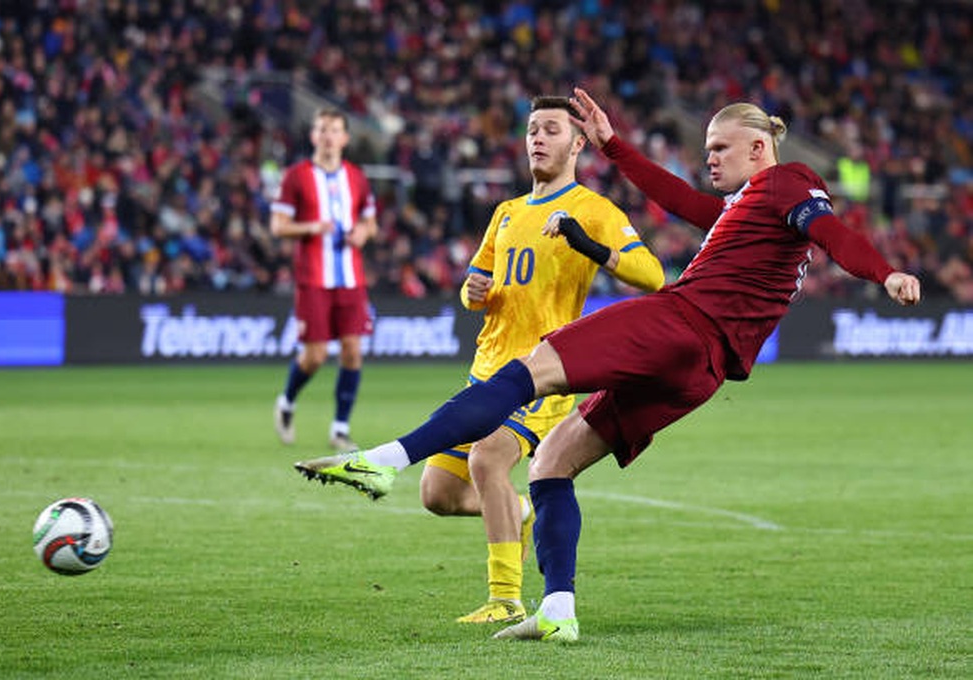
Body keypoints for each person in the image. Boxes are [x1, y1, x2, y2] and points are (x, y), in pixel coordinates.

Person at [294, 88, 922, 642]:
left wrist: (884, 271)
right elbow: (677, 198)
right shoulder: (747, 207)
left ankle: (385, 462)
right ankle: (557, 609)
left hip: (681, 322)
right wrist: (616, 147)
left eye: (720, 148)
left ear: (759, 148)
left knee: (526, 370)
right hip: (701, 374)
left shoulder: (787, 183)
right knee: (552, 464)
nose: (709, 158)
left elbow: (833, 232)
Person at [417, 96, 664, 625]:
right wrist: (473, 292)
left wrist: (588, 246)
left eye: (550, 129)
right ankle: (519, 509)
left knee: (487, 461)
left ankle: (505, 598)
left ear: (577, 144)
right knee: (436, 494)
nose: (537, 138)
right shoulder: (506, 213)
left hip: (542, 374)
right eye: (532, 129)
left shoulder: (594, 210)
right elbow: (475, 286)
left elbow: (653, 276)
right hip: (486, 371)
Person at [271, 108, 378, 451]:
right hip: (313, 279)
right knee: (315, 355)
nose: (328, 136)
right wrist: (311, 227)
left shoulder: (357, 178)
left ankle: (340, 429)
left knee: (352, 351)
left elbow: (369, 222)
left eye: (335, 130)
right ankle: (287, 401)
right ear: (313, 136)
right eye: (322, 130)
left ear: (345, 138)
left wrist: (361, 233)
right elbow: (278, 226)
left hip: (350, 278)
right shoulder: (296, 176)